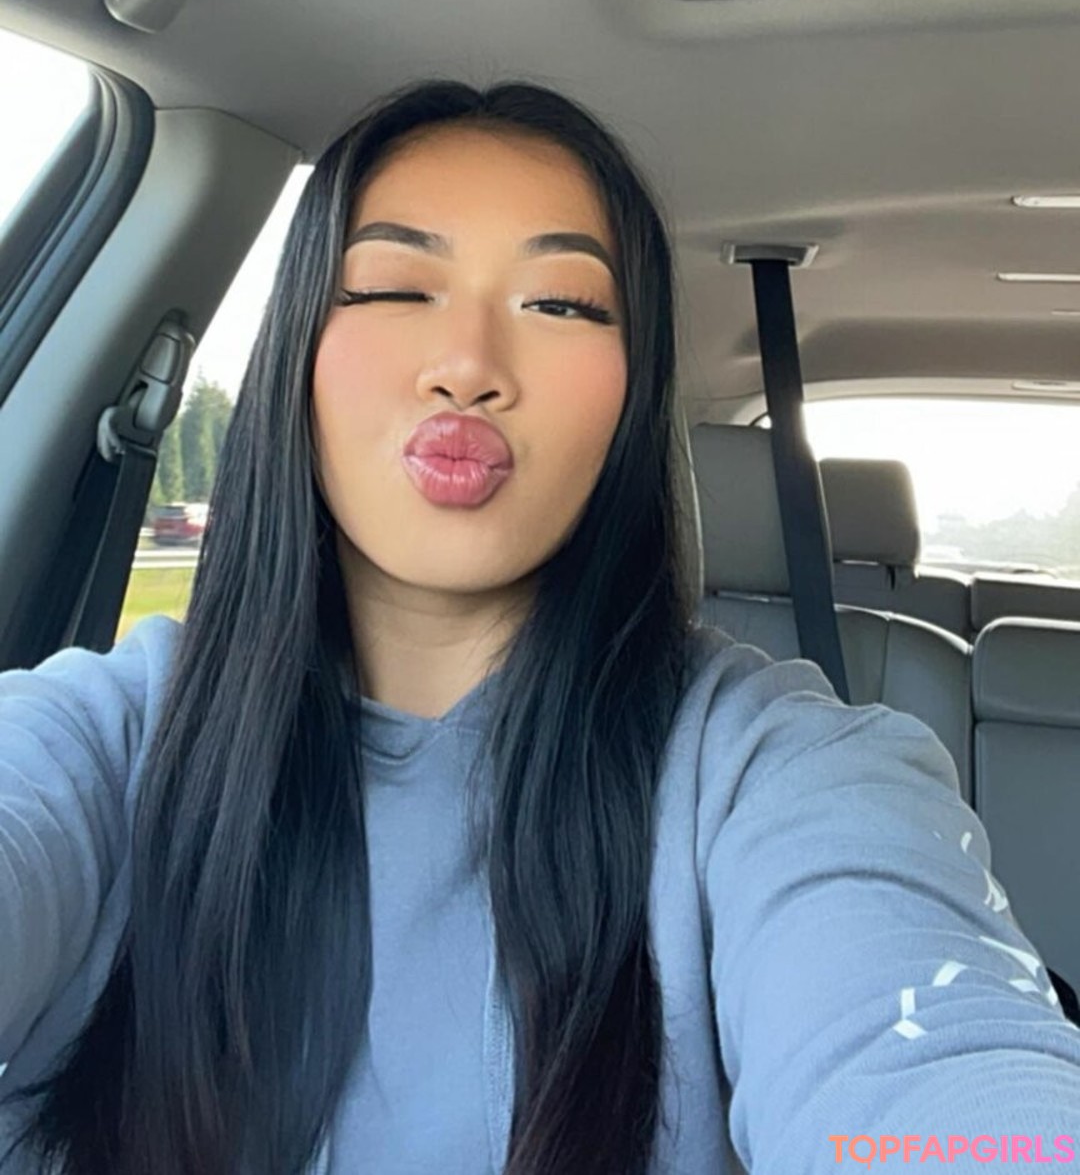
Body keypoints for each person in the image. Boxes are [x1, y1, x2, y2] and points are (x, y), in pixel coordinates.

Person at [1, 80, 1079, 1175]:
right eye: (392, 286)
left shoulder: (781, 771)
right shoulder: (112, 735)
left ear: (634, 398)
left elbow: (947, 1074)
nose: (468, 365)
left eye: (561, 304)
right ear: (296, 357)